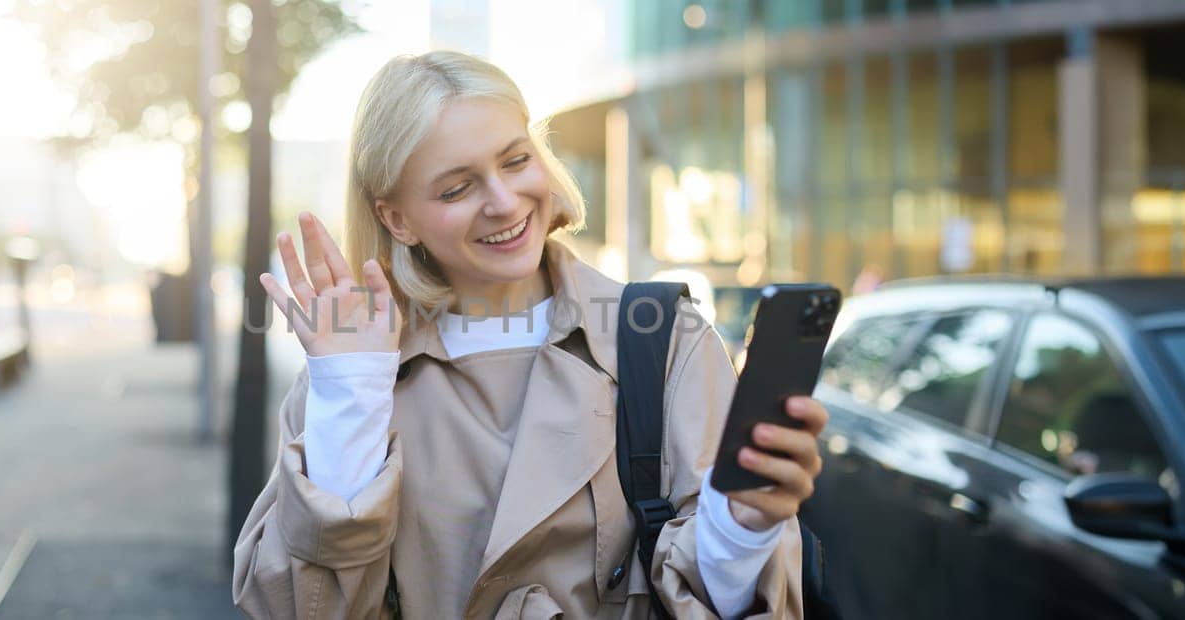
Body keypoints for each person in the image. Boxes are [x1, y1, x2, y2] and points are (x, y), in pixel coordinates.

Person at [233, 51, 828, 619]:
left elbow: (722, 597)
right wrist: (350, 399)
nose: (503, 202)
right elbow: (298, 607)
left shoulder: (664, 340)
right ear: (397, 219)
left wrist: (742, 524)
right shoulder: (354, 370)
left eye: (516, 160)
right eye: (456, 188)